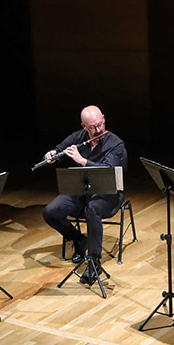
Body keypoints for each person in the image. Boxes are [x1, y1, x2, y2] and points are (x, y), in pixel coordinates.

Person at [41, 105, 127, 285]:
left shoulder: (116, 144)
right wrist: (51, 156)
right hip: (83, 191)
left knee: (92, 210)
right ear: (84, 127)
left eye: (100, 124)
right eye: (93, 127)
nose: (98, 130)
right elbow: (58, 150)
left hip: (108, 194)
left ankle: (94, 261)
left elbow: (108, 171)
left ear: (103, 118)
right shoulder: (77, 137)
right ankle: (79, 239)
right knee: (51, 211)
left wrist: (82, 161)